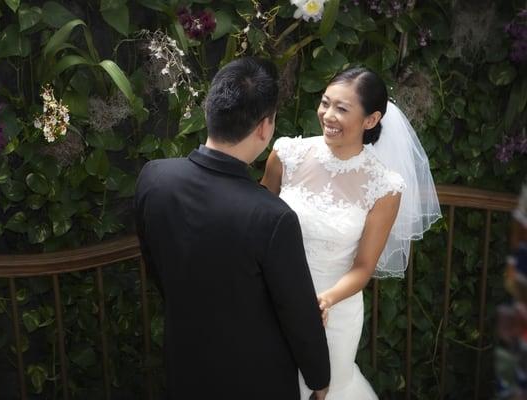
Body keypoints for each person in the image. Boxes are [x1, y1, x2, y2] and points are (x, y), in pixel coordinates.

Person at [135, 57, 331, 400]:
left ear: (210, 109)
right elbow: (298, 315)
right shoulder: (272, 216)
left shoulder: (154, 176)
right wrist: (320, 380)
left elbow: (156, 265)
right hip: (257, 377)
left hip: (184, 360)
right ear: (264, 128)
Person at [261, 67, 441, 398]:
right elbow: (256, 225)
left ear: (370, 120)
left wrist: (324, 301)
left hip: (334, 309)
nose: (328, 115)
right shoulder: (286, 154)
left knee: (325, 389)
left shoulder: (384, 186)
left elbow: (362, 268)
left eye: (342, 109)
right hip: (273, 300)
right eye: (325, 103)